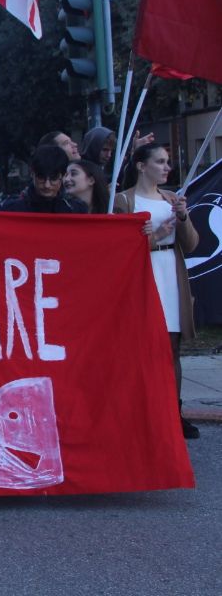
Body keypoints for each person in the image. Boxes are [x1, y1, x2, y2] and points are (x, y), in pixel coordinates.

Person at [114, 143, 201, 439]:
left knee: (171, 347)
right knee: (139, 348)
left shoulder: (172, 199)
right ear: (141, 166)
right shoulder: (124, 201)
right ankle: (141, 410)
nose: (166, 167)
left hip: (169, 273)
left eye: (167, 162)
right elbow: (116, 247)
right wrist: (155, 237)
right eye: (160, 162)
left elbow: (190, 245)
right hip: (141, 275)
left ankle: (174, 412)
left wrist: (184, 217)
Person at [1, 146, 88, 214]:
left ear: (64, 176)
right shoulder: (12, 208)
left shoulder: (75, 209)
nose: (47, 185)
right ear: (32, 173)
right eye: (41, 178)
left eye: (53, 179)